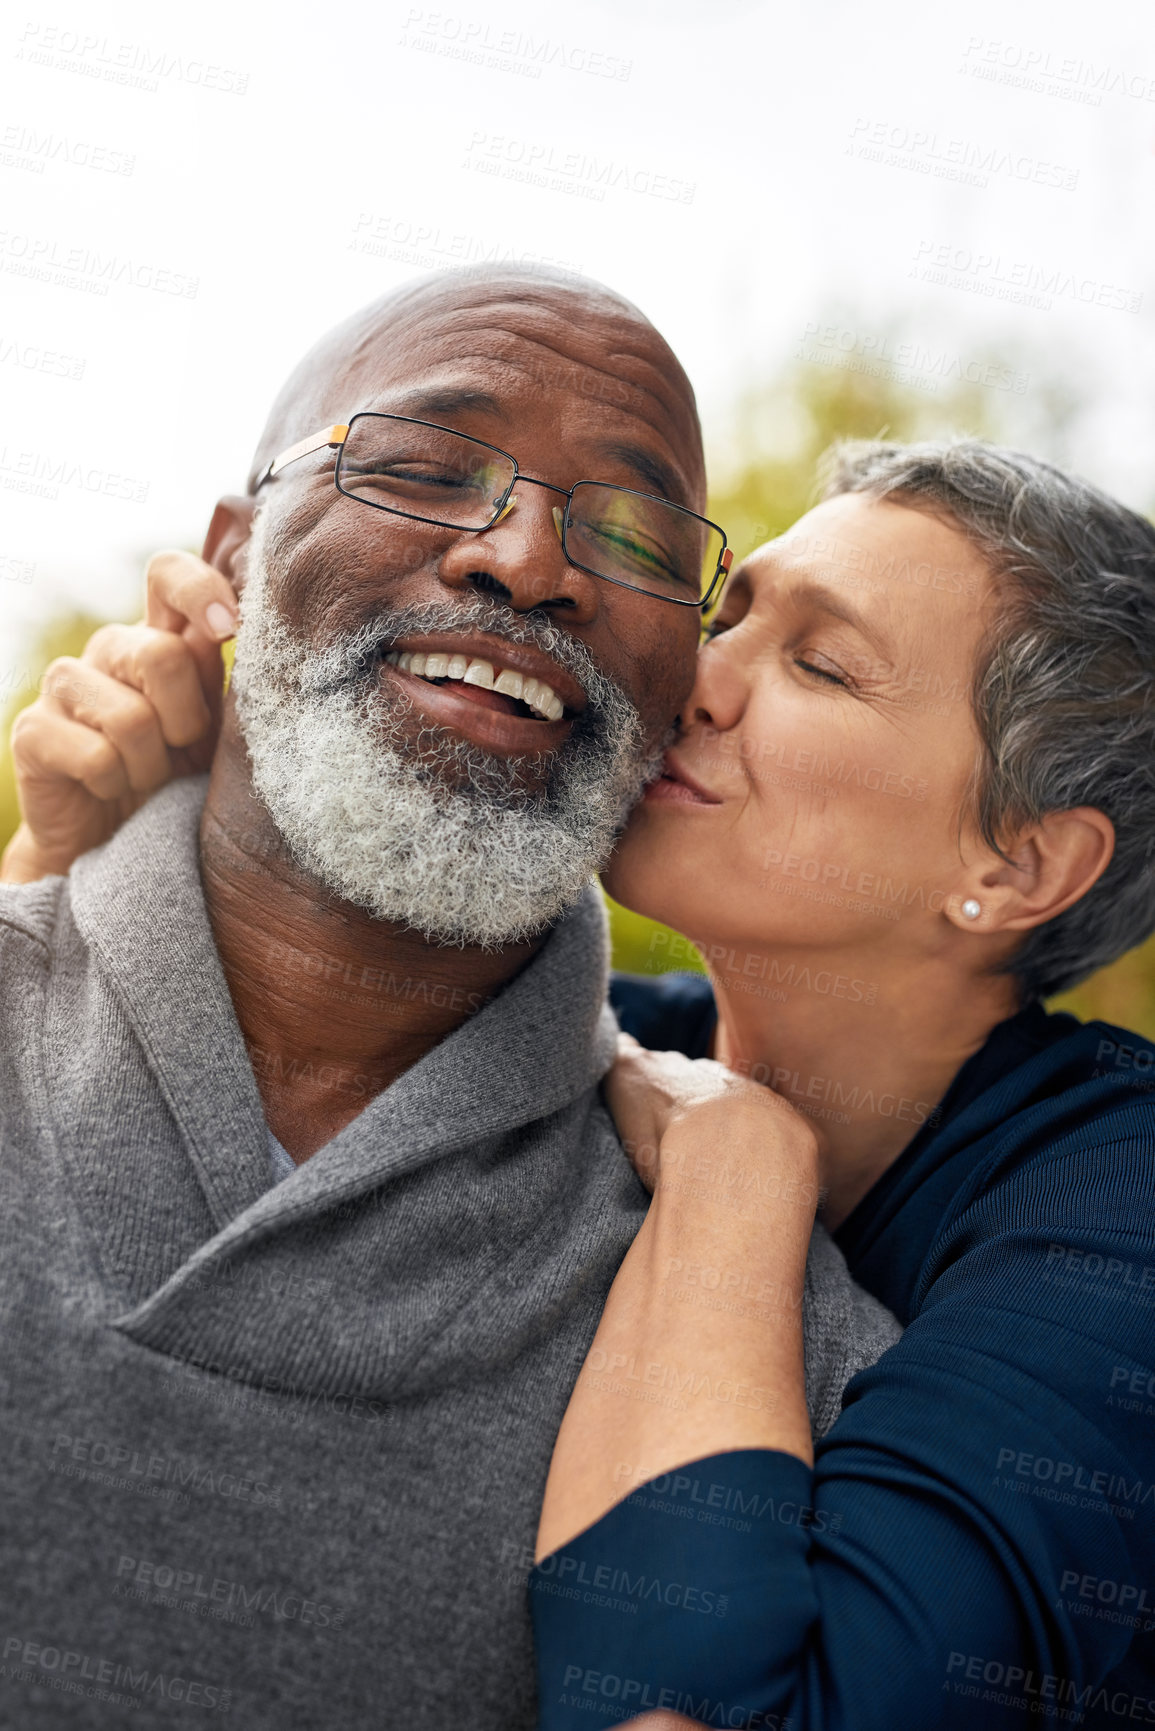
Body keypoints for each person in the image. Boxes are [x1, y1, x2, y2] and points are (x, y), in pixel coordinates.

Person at [23, 434, 1155, 1731]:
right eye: (724, 618)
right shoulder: (570, 1043)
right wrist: (100, 871)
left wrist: (736, 1185)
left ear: (1020, 866)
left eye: (821, 665)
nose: (695, 682)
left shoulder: (1122, 1236)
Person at [0, 266, 898, 1730]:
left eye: (633, 531)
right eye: (423, 470)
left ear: (683, 681)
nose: (530, 560)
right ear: (229, 560)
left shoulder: (772, 1355)